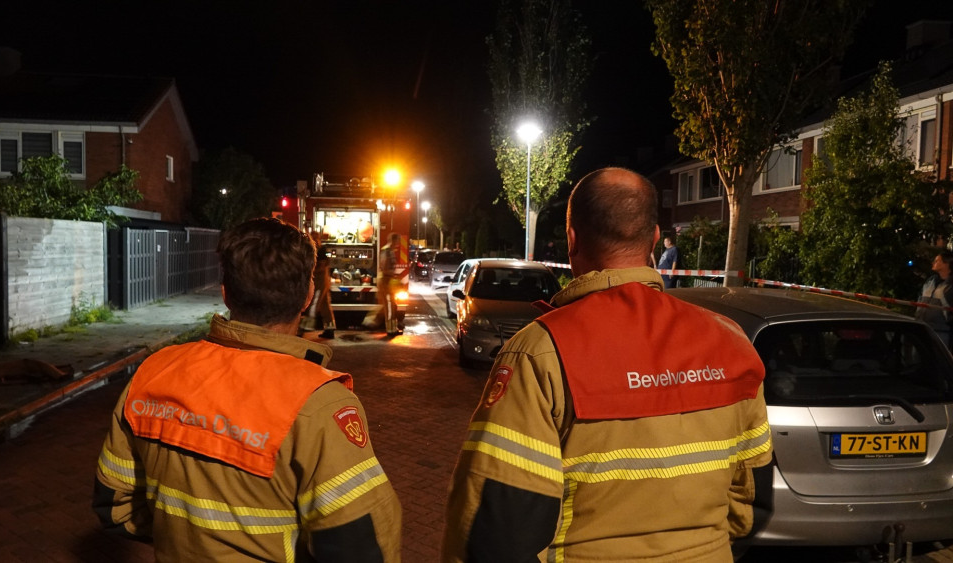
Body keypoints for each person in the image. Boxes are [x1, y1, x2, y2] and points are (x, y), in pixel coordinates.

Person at [441, 168, 772, 562]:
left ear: (572, 239)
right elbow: (752, 500)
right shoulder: (731, 341)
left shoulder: (539, 352)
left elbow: (496, 529)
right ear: (654, 239)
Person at [93, 218, 402, 561]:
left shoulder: (154, 372)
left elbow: (115, 505)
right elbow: (360, 548)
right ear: (307, 296)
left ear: (225, 292)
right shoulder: (319, 404)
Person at [916, 250, 953, 349]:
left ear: (946, 264)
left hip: (940, 332)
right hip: (922, 328)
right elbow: (920, 298)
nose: (933, 263)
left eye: (937, 261)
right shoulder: (930, 281)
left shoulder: (950, 286)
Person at [301, 241, 336, 339]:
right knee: (325, 306)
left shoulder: (318, 253)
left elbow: (319, 267)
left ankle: (305, 327)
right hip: (323, 282)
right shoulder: (322, 251)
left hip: (319, 282)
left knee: (314, 304)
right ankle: (330, 329)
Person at [373, 232, 402, 336]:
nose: (399, 242)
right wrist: (393, 274)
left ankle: (393, 328)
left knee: (392, 305)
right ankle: (390, 330)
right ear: (393, 240)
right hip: (385, 280)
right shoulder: (387, 251)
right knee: (389, 305)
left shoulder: (390, 250)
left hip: (388, 280)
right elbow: (384, 268)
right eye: (398, 240)